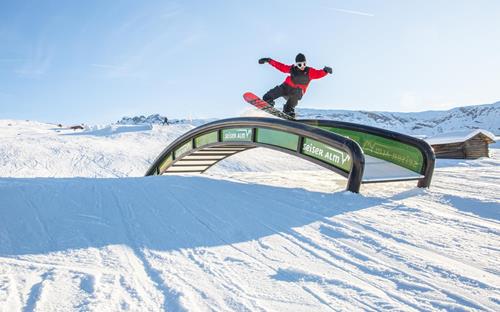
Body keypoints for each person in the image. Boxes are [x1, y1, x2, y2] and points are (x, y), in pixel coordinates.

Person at [259, 53, 332, 118]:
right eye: (300, 64)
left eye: (304, 64)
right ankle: (268, 101)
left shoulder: (309, 71)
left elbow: (318, 73)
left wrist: (325, 70)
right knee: (271, 94)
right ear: (296, 64)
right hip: (286, 88)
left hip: (295, 93)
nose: (302, 66)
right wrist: (269, 60)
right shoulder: (292, 69)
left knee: (296, 94)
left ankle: (288, 109)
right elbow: (281, 66)